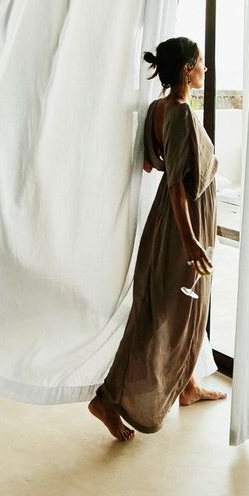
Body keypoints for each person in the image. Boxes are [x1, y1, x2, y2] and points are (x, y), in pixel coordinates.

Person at [88, 36, 227, 441]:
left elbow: (151, 163)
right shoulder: (181, 113)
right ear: (187, 69)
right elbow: (178, 187)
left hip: (165, 222)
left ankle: (186, 386)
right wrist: (189, 240)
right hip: (184, 225)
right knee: (166, 315)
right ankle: (109, 399)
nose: (205, 69)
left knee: (180, 311)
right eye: (201, 63)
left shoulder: (156, 109)